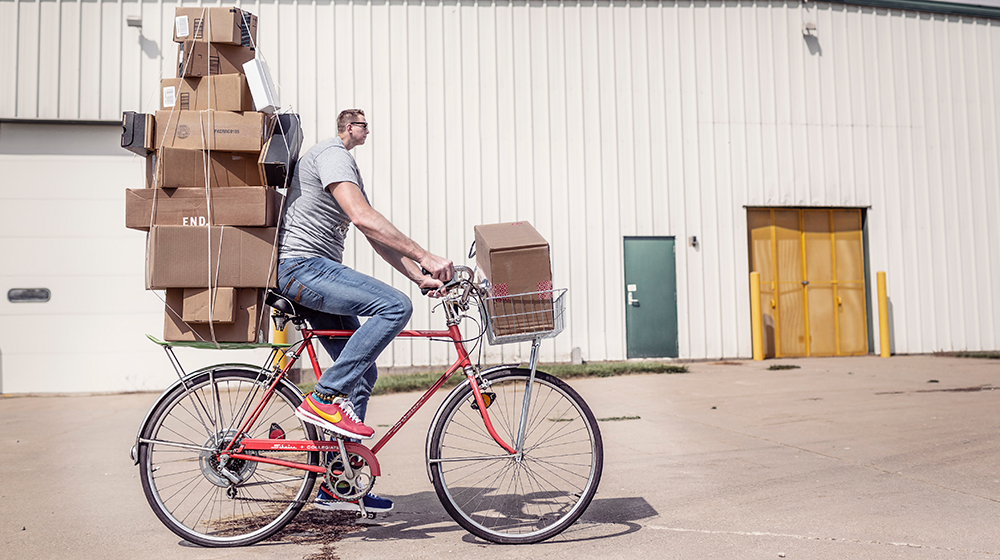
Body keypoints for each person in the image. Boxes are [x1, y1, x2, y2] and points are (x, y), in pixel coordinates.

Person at [276, 109, 454, 512]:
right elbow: (364, 218)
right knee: (394, 307)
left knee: (362, 371)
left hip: (314, 271)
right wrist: (425, 255)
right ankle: (322, 398)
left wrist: (418, 275)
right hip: (303, 267)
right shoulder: (334, 156)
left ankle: (338, 482)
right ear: (348, 128)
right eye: (363, 125)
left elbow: (374, 235)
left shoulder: (343, 165)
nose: (367, 130)